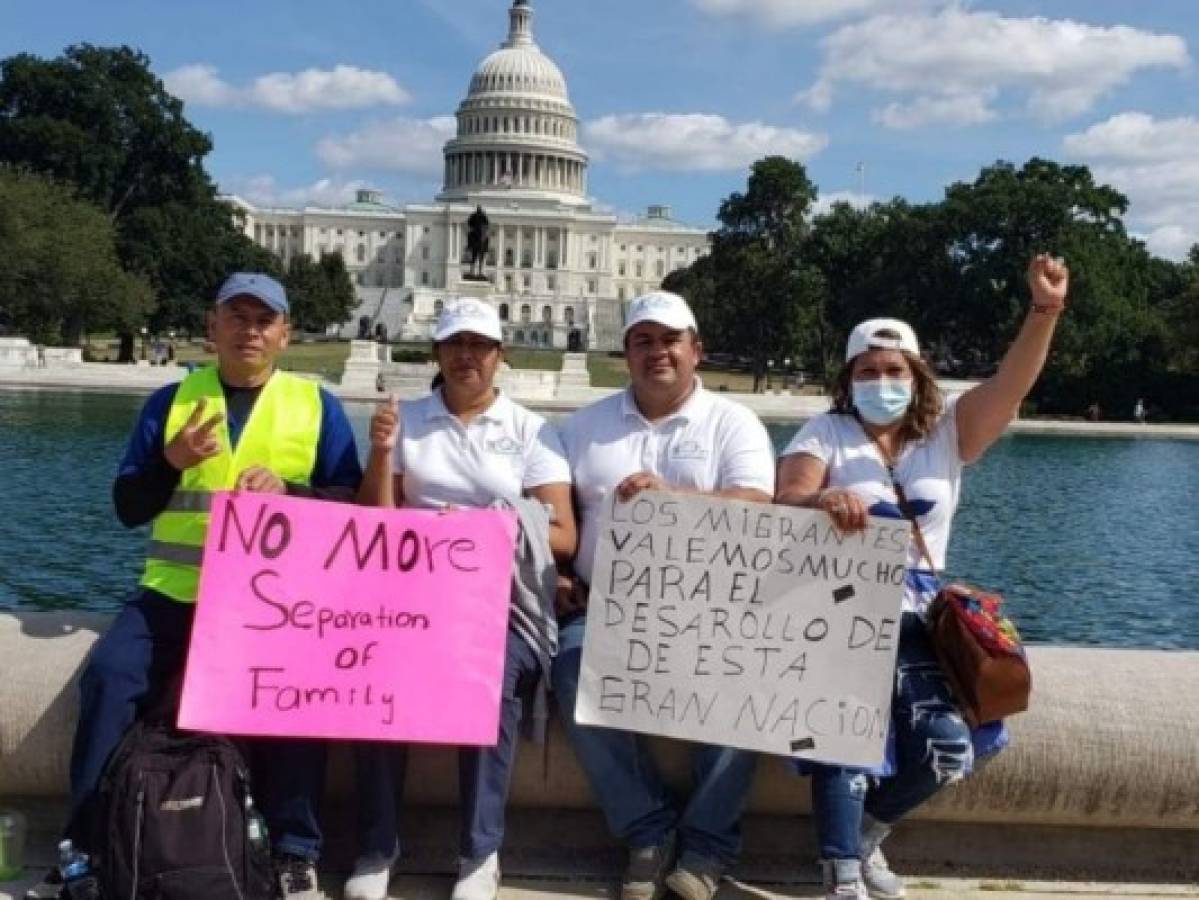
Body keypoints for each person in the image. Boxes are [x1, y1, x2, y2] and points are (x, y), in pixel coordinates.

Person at [24, 273, 363, 900]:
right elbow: (128, 505)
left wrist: (293, 492)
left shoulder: (317, 407)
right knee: (110, 680)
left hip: (274, 604)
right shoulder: (169, 403)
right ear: (213, 327)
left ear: (285, 334)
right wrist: (170, 462)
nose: (250, 330)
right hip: (174, 595)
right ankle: (85, 847)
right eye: (237, 317)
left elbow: (353, 505)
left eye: (264, 320)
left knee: (299, 703)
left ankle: (295, 848)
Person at [774, 254, 1069, 899]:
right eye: (869, 371)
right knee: (842, 746)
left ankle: (867, 835)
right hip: (840, 607)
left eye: (894, 370)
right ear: (849, 381)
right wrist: (821, 501)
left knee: (949, 746)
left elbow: (1010, 385)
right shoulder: (824, 434)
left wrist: (1044, 310)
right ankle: (841, 873)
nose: (882, 380)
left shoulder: (947, 433)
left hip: (922, 618)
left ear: (915, 375)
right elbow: (783, 503)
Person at [553, 291, 777, 900]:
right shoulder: (582, 427)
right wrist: (561, 572)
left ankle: (705, 846)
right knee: (570, 669)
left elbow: (758, 508)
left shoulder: (734, 423)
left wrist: (671, 499)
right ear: (625, 351)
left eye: (669, 339)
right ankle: (647, 830)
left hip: (712, 609)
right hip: (604, 604)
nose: (657, 352)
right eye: (643, 340)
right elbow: (556, 515)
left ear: (695, 349)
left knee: (750, 683)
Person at [350, 298, 576, 900]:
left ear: (499, 356)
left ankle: (480, 851)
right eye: (455, 344)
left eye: (479, 345)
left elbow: (563, 534)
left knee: (490, 672)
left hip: (500, 608)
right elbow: (375, 520)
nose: (466, 355)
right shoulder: (409, 420)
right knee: (375, 669)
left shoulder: (532, 431)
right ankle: (377, 846)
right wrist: (379, 451)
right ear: (437, 353)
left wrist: (479, 528)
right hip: (409, 599)